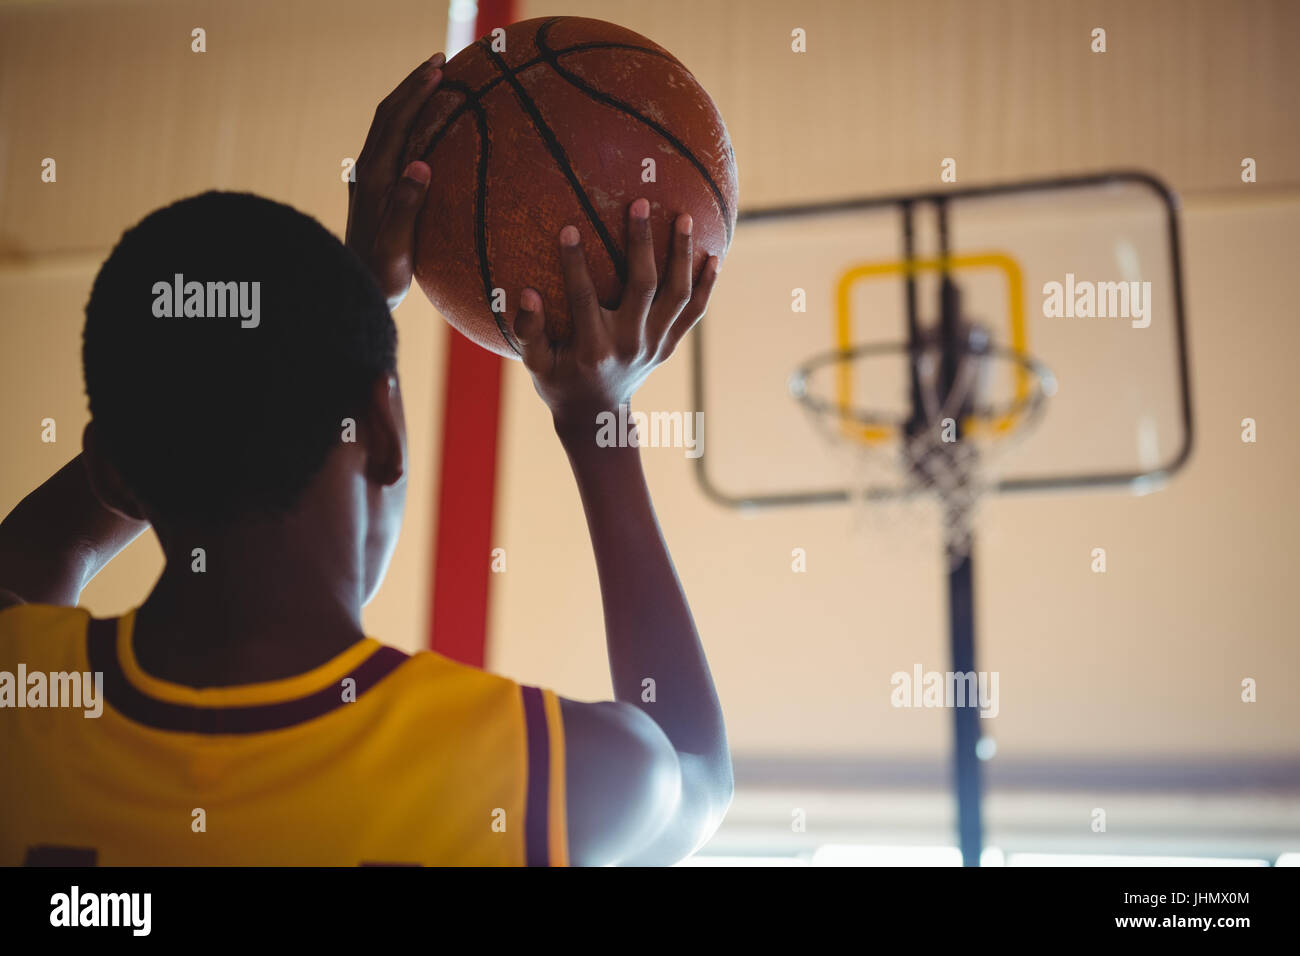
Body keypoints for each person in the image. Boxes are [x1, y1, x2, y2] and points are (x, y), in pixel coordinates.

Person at [0, 53, 730, 866]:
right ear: (382, 434)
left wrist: (350, 316)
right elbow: (696, 779)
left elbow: (35, 552)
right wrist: (597, 421)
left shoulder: (24, 701)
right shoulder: (531, 771)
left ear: (111, 470)